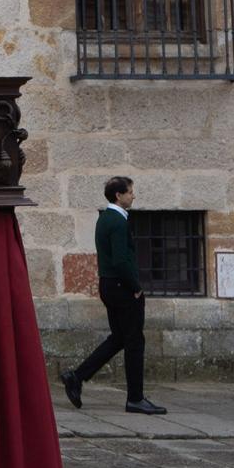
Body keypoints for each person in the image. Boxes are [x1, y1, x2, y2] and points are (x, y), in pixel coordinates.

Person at [62, 176, 166, 416]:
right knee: (134, 342)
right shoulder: (118, 222)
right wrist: (135, 286)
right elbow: (120, 260)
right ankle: (136, 398)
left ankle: (76, 376)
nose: (133, 195)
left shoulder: (106, 218)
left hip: (109, 285)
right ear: (118, 195)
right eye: (130, 192)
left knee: (120, 338)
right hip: (122, 287)